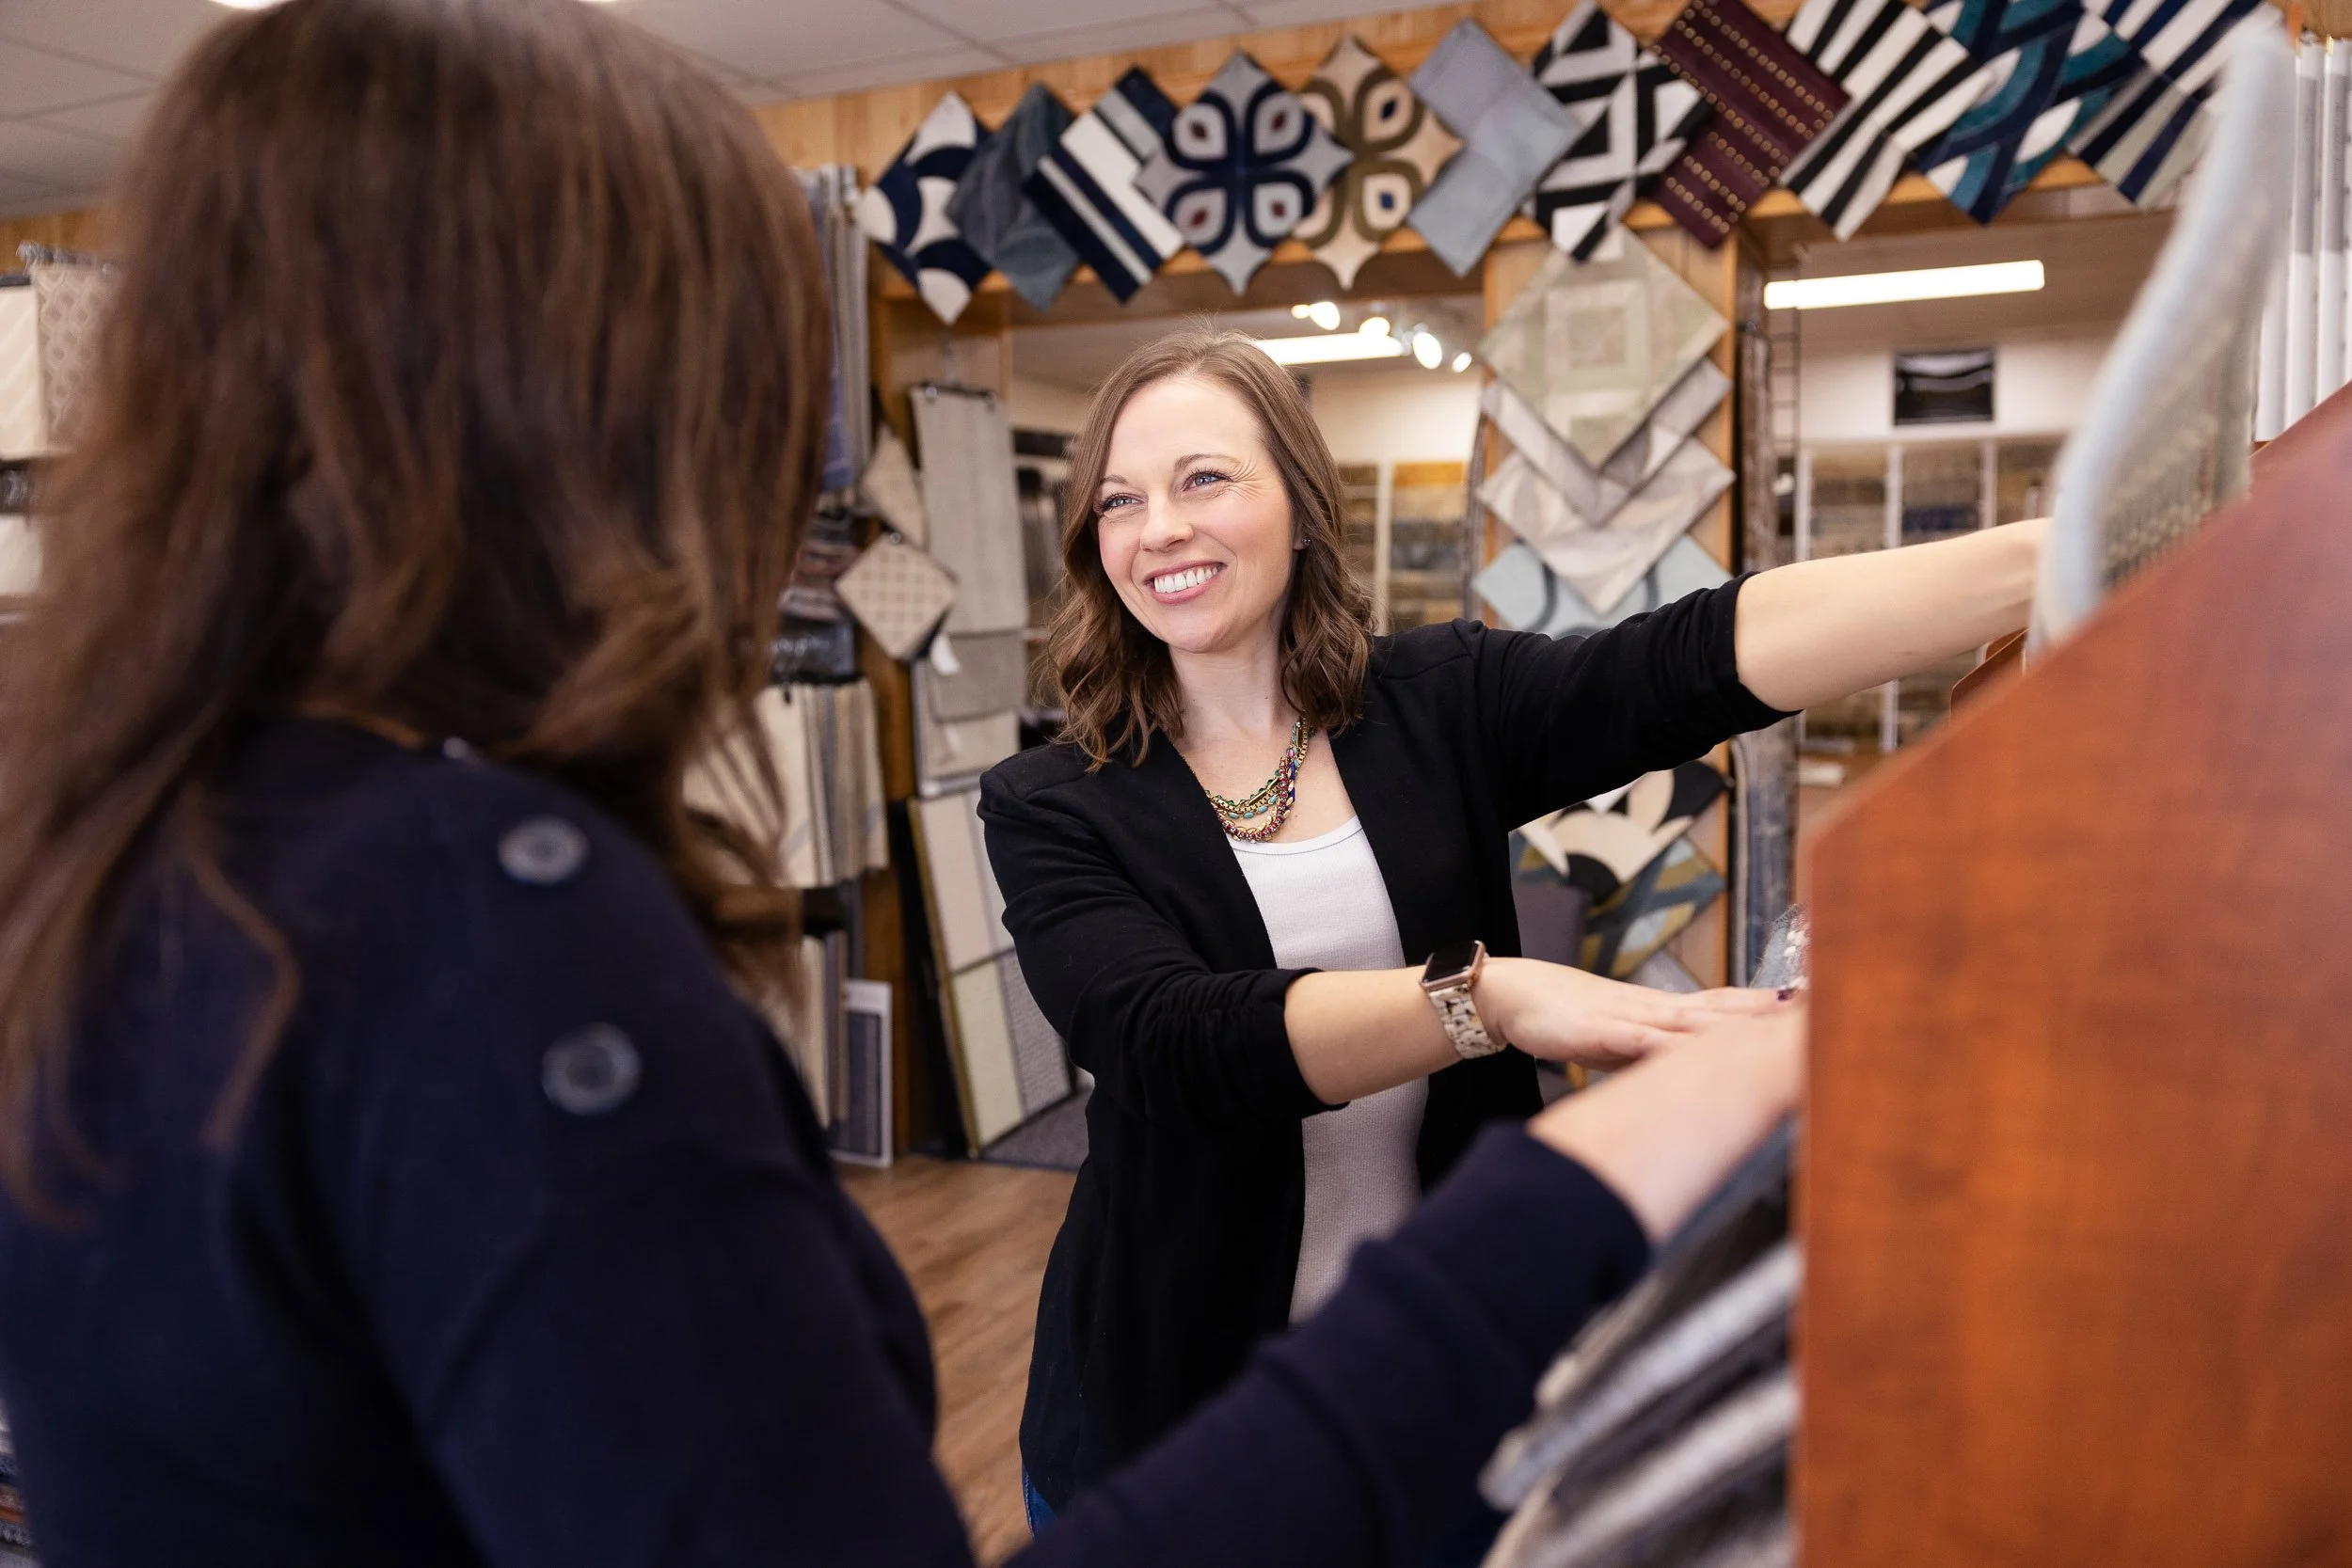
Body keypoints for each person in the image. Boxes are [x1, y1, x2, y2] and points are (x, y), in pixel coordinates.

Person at [0, 3, 1803, 1566]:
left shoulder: (143, 855)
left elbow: (1682, 661)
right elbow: (1178, 1040)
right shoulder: (479, 929)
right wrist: (1594, 1172)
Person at [981, 330, 2045, 1528]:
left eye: (1203, 478)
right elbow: (1173, 1042)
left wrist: (2060, 554)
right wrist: (1483, 998)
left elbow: (1695, 660)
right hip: (1176, 1413)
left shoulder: (1437, 705)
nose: (1159, 526)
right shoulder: (1050, 800)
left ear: (1299, 501)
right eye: (1119, 500)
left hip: (1454, 1369)